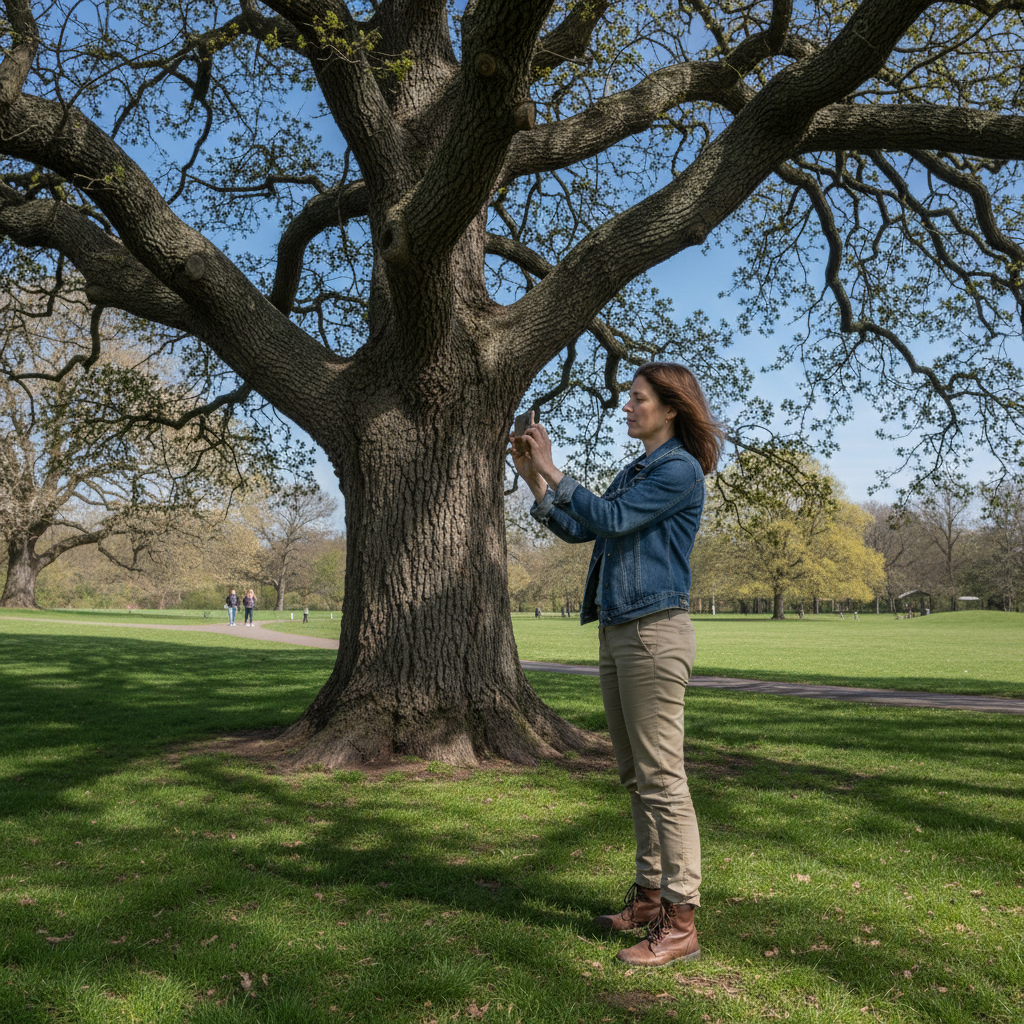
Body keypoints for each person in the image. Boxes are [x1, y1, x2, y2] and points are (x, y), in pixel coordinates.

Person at [510, 362, 724, 968]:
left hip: (654, 633)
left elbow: (611, 518)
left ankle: (681, 921)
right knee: (635, 775)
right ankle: (650, 898)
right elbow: (585, 530)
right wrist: (535, 481)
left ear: (671, 408)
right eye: (628, 397)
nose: (626, 406)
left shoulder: (679, 469)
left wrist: (553, 466)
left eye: (637, 398)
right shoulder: (636, 470)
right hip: (619, 629)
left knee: (663, 778)